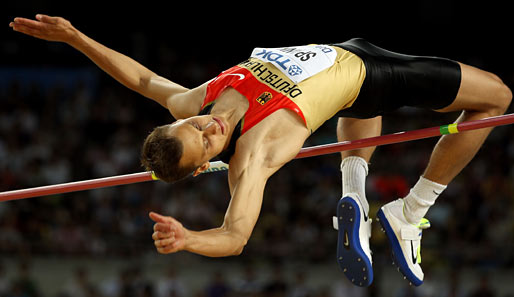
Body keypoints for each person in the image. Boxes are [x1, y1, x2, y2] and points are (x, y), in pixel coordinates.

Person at [9, 14, 512, 288]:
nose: (207, 126)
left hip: (352, 57)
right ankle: (411, 211)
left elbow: (141, 78)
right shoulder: (252, 155)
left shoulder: (196, 99)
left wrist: (77, 38)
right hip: (375, 74)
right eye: (205, 141)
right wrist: (189, 240)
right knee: (496, 99)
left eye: (191, 125)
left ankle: (354, 199)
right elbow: (236, 236)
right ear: (207, 164)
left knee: (360, 113)